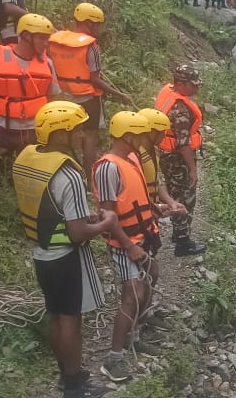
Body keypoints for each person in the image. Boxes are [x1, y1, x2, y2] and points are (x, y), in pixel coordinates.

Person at [11, 101, 127, 398]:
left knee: (55, 314)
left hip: (41, 253)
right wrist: (107, 222)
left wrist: (85, 219)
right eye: (76, 130)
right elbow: (76, 234)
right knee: (71, 320)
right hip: (65, 258)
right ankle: (75, 387)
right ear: (60, 134)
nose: (82, 135)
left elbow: (50, 208)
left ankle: (67, 374)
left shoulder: (27, 158)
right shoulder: (70, 175)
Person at [94, 111, 169, 382]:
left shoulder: (132, 159)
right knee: (132, 294)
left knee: (153, 274)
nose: (141, 139)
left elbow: (135, 199)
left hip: (143, 234)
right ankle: (113, 358)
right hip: (124, 241)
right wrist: (128, 246)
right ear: (127, 135)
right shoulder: (107, 168)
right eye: (137, 135)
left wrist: (157, 208)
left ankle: (134, 335)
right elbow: (108, 213)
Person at [0, 13, 61, 215]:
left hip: (35, 131)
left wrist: (52, 133)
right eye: (42, 37)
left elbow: (53, 100)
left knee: (51, 170)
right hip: (5, 128)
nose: (46, 42)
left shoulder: (47, 63)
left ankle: (42, 211)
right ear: (26, 36)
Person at [48, 3, 134, 166]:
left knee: (66, 138)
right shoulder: (91, 47)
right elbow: (95, 79)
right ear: (90, 23)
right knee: (90, 139)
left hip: (64, 98)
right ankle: (89, 180)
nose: (99, 28)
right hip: (87, 99)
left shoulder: (58, 39)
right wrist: (120, 95)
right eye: (98, 24)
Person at [154, 65, 208, 257]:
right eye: (193, 85)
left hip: (167, 157)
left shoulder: (167, 92)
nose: (197, 89)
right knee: (185, 197)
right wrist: (193, 169)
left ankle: (178, 234)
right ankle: (183, 243)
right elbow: (183, 144)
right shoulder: (180, 109)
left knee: (175, 192)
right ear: (181, 84)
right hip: (178, 159)